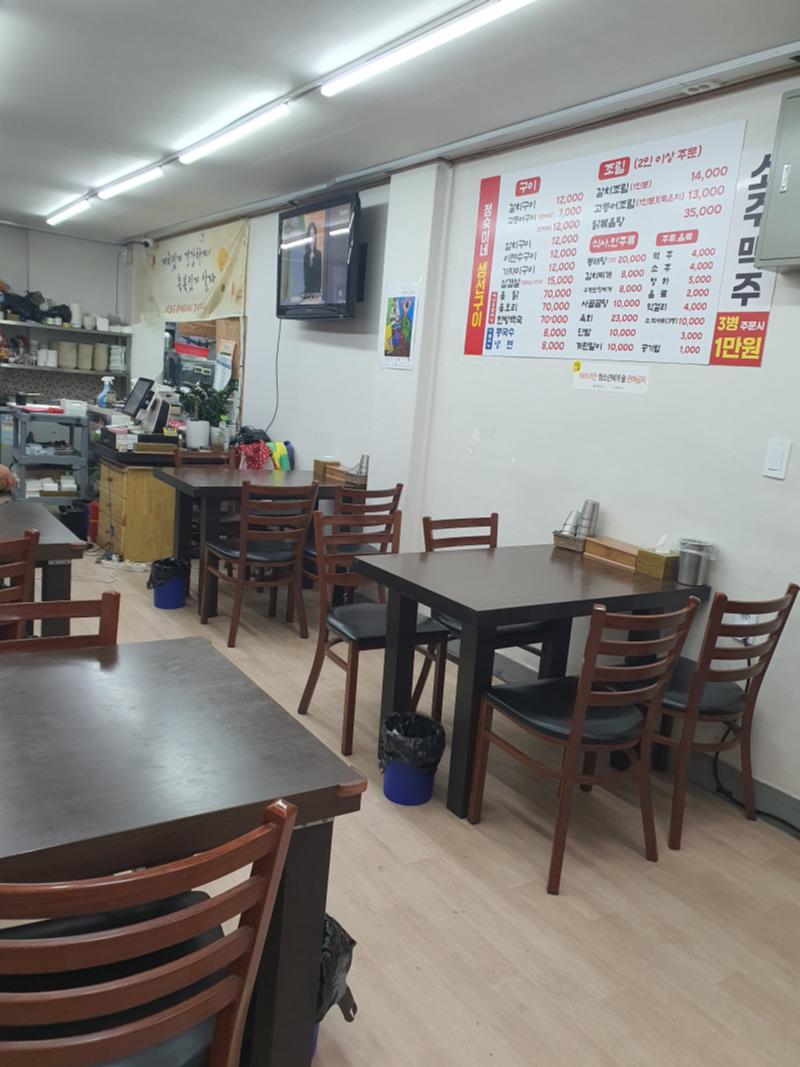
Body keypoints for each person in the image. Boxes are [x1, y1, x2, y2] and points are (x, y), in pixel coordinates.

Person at [303, 221, 323, 298]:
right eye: (310, 234)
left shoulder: (319, 254)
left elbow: (318, 277)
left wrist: (317, 294)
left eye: (313, 234)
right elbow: (306, 280)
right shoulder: (305, 256)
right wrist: (310, 262)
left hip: (316, 293)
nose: (312, 237)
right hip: (307, 292)